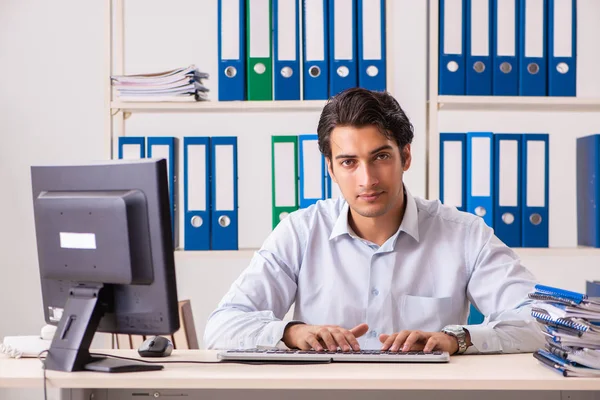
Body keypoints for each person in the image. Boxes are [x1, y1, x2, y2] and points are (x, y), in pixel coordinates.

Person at [204, 88, 544, 355]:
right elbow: (222, 327)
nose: (367, 179)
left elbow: (542, 323)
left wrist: (457, 338)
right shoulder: (299, 232)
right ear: (331, 169)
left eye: (380, 157)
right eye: (349, 162)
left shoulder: (465, 235)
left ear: (405, 156)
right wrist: (293, 332)